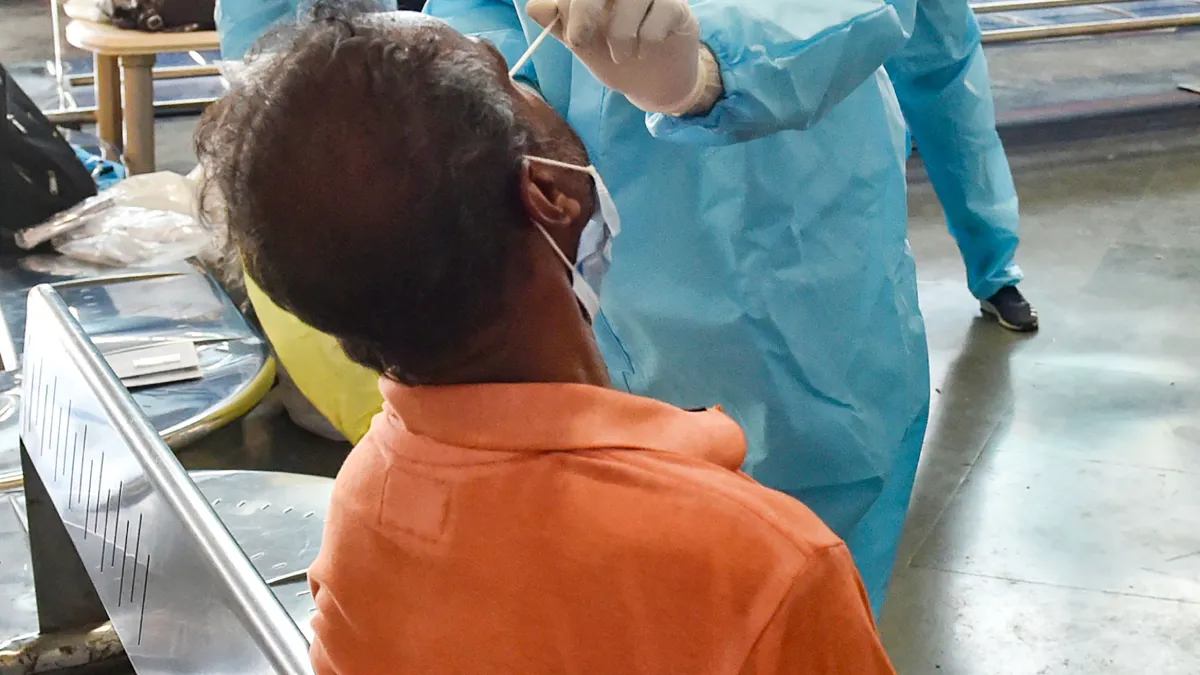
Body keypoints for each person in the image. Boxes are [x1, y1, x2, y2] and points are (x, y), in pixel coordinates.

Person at [195, 9, 898, 673]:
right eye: (512, 78)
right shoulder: (768, 560)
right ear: (552, 195)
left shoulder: (365, 502)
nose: (547, 83)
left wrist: (707, 71)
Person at [420, 0, 931, 616]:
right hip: (583, 244)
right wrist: (502, 99)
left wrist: (709, 71)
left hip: (791, 231)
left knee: (808, 580)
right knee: (640, 579)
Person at [887, 0, 1038, 332]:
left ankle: (995, 276)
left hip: (934, 23)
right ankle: (858, 295)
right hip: (838, 23)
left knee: (964, 139)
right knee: (855, 161)